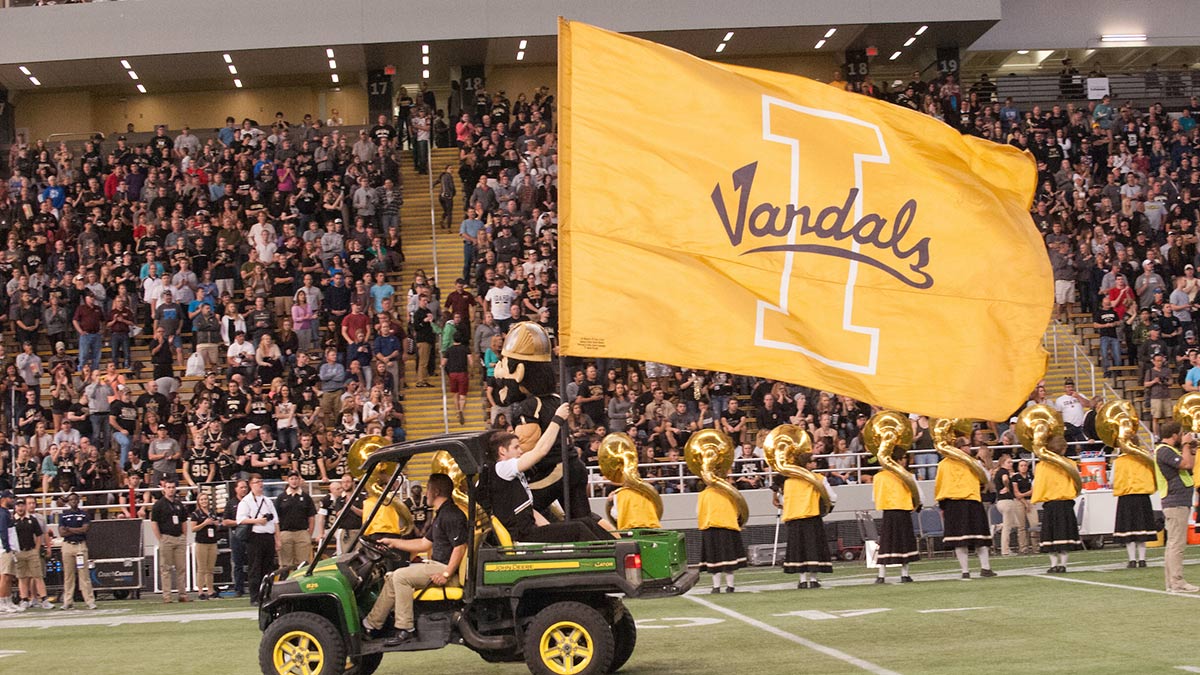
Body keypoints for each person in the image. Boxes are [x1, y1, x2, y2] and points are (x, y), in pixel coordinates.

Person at [361, 473, 469, 646]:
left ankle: (405, 628)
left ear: (436, 492)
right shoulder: (441, 514)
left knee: (401, 577)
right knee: (391, 577)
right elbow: (423, 543)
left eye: (428, 489)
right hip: (437, 565)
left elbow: (460, 547)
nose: (426, 493)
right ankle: (371, 625)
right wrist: (393, 542)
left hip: (444, 567)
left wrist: (447, 574)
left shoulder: (451, 514)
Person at [479, 414, 612, 543]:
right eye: (516, 447)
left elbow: (531, 512)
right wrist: (557, 420)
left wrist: (551, 531)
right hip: (521, 535)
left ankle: (618, 548)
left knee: (586, 522)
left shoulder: (513, 475)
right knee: (578, 529)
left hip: (530, 531)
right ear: (502, 451)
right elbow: (540, 451)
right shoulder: (501, 468)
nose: (520, 451)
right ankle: (608, 560)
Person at [934, 443, 996, 579]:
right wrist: (942, 505)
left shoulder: (972, 462)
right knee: (960, 540)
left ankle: (984, 568)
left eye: (968, 445)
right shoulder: (945, 464)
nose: (968, 448)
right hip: (959, 502)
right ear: (957, 447)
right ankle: (966, 570)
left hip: (970, 501)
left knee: (979, 539)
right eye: (965, 445)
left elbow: (984, 479)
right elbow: (940, 484)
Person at [775, 453, 833, 589]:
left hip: (794, 519)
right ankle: (813, 579)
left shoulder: (788, 482)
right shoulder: (819, 479)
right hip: (812, 517)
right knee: (813, 548)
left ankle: (802, 580)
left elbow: (782, 500)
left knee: (799, 549)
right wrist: (826, 509)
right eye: (812, 462)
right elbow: (832, 497)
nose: (815, 464)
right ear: (806, 464)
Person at [1155, 422, 1198, 592]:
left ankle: (1172, 582)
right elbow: (1185, 465)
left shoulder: (1170, 450)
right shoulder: (1164, 450)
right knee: (1176, 544)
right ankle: (1177, 581)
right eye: (1181, 434)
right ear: (1174, 435)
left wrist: (1191, 449)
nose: (1182, 437)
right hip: (1175, 501)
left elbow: (1190, 465)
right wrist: (1186, 444)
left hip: (1178, 501)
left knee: (1174, 543)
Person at [1033, 434, 1082, 574]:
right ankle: (1063, 565)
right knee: (1064, 536)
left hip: (1050, 505)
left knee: (1051, 537)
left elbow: (1037, 484)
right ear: (1063, 448)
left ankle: (1054, 564)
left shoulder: (1041, 466)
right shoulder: (1070, 464)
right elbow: (1077, 484)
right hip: (1065, 504)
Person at [697, 463, 746, 594]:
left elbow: (698, 512)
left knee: (715, 560)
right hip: (725, 527)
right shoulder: (729, 492)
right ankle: (729, 586)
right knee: (727, 560)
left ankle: (716, 587)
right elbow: (739, 509)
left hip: (712, 527)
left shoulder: (705, 494)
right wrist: (739, 522)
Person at [872, 455, 920, 583]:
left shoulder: (880, 476)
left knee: (888, 543)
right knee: (900, 544)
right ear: (896, 460)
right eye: (902, 457)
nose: (904, 460)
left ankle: (883, 576)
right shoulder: (907, 476)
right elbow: (919, 495)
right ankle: (901, 575)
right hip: (901, 511)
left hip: (891, 512)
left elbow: (874, 497)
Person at [1112, 441, 1157, 569]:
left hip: (1125, 497)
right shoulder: (1145, 458)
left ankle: (1132, 560)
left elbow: (1112, 481)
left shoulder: (1118, 461)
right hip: (1142, 497)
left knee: (1128, 531)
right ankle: (1142, 559)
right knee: (1141, 530)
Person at [237, 474, 281, 604]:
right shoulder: (246, 501)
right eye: (256, 482)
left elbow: (275, 521)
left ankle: (267, 594)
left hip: (268, 537)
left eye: (261, 481)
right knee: (255, 568)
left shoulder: (267, 501)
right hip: (255, 537)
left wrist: (277, 539)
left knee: (268, 568)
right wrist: (257, 520)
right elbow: (240, 519)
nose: (260, 484)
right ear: (251, 484)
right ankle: (255, 597)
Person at [149, 477, 191, 602]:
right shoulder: (159, 505)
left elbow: (184, 521)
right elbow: (154, 523)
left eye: (173, 487)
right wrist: (160, 538)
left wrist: (184, 536)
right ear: (164, 489)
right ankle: (167, 596)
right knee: (166, 568)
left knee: (181, 568)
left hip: (179, 538)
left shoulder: (179, 504)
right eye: (168, 487)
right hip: (166, 537)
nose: (171, 490)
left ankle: (182, 594)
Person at [58, 491, 97, 610]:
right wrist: (75, 529)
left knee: (84, 575)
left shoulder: (84, 514)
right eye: (71, 500)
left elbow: (84, 529)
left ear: (78, 501)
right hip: (67, 545)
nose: (73, 502)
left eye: (75, 499)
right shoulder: (63, 515)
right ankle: (68, 601)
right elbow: (61, 532)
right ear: (68, 502)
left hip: (80, 545)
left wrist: (69, 529)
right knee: (68, 575)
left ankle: (89, 600)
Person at [12, 497, 52, 609]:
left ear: (25, 506)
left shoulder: (32, 519)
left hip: (31, 551)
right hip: (19, 552)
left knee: (37, 576)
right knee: (22, 577)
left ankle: (44, 599)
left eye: (22, 505)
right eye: (18, 505)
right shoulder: (12, 521)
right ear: (15, 507)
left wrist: (36, 549)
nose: (20, 508)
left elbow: (39, 535)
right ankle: (24, 599)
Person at [276, 470, 316, 569]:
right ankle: (285, 584)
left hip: (302, 532)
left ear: (299, 480)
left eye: (296, 479)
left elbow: (311, 517)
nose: (294, 481)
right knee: (285, 565)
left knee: (303, 565)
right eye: (291, 479)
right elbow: (275, 519)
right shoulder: (281, 497)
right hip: (285, 533)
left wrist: (309, 533)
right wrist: (278, 536)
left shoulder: (306, 497)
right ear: (288, 480)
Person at [221, 479, 251, 597]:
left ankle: (255, 587)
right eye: (241, 487)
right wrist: (239, 522)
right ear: (236, 489)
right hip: (237, 536)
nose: (244, 489)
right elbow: (225, 521)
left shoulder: (251, 501)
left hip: (250, 535)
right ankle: (239, 588)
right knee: (237, 563)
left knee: (253, 563)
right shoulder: (231, 503)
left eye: (245, 487)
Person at [190, 491, 221, 600]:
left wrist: (216, 523)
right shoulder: (195, 514)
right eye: (202, 499)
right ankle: (200, 591)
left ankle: (210, 590)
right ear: (198, 501)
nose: (204, 501)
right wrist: (204, 523)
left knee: (210, 569)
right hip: (201, 542)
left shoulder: (212, 512)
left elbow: (217, 525)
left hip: (212, 542)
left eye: (205, 499)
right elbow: (193, 529)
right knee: (201, 568)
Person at [0, 491, 15, 613]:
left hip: (8, 547)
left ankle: (8, 600)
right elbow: (3, 530)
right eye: (10, 498)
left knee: (9, 576)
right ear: (4, 499)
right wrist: (6, 546)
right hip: (4, 548)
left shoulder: (5, 512)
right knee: (4, 576)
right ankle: (2, 601)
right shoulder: (2, 513)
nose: (12, 500)